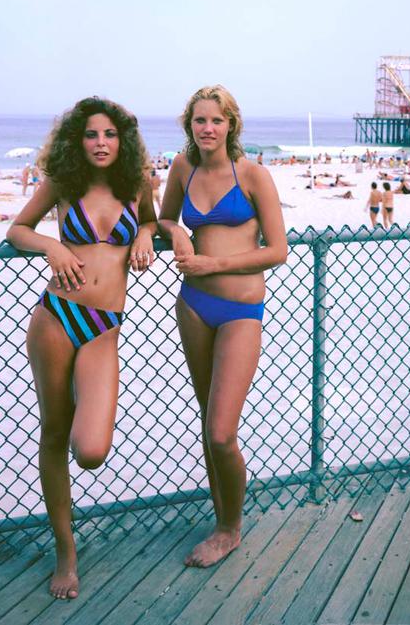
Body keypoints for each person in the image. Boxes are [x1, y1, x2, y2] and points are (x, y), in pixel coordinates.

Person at [6, 97, 157, 600]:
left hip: (102, 329)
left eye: (110, 134)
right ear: (78, 140)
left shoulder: (137, 185)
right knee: (53, 434)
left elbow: (155, 221)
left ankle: (77, 428)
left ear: (123, 141)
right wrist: (52, 245)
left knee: (90, 450)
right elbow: (17, 229)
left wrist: (148, 235)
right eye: (91, 135)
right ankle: (66, 552)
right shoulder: (63, 184)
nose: (100, 143)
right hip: (55, 319)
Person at [158, 85, 287, 568]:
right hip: (193, 308)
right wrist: (174, 233)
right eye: (198, 121)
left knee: (220, 433)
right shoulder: (181, 168)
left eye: (216, 120)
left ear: (231, 123)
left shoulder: (253, 175)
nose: (207, 129)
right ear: (188, 125)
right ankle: (220, 519)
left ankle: (231, 529)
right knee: (206, 416)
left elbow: (277, 250)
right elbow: (163, 220)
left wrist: (212, 265)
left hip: (239, 315)